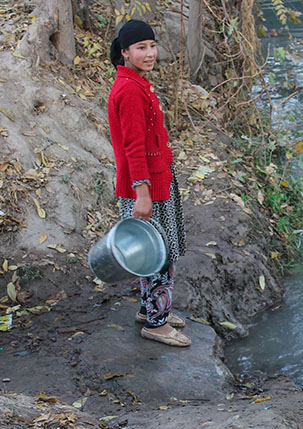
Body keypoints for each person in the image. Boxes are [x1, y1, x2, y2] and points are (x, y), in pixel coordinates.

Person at [107, 19, 190, 347]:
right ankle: (156, 324)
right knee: (159, 254)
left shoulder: (137, 83)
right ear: (125, 52)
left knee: (153, 251)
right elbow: (133, 147)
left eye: (152, 45)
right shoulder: (128, 90)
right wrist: (142, 193)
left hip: (155, 183)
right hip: (147, 188)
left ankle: (150, 310)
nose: (150, 52)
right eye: (141, 47)